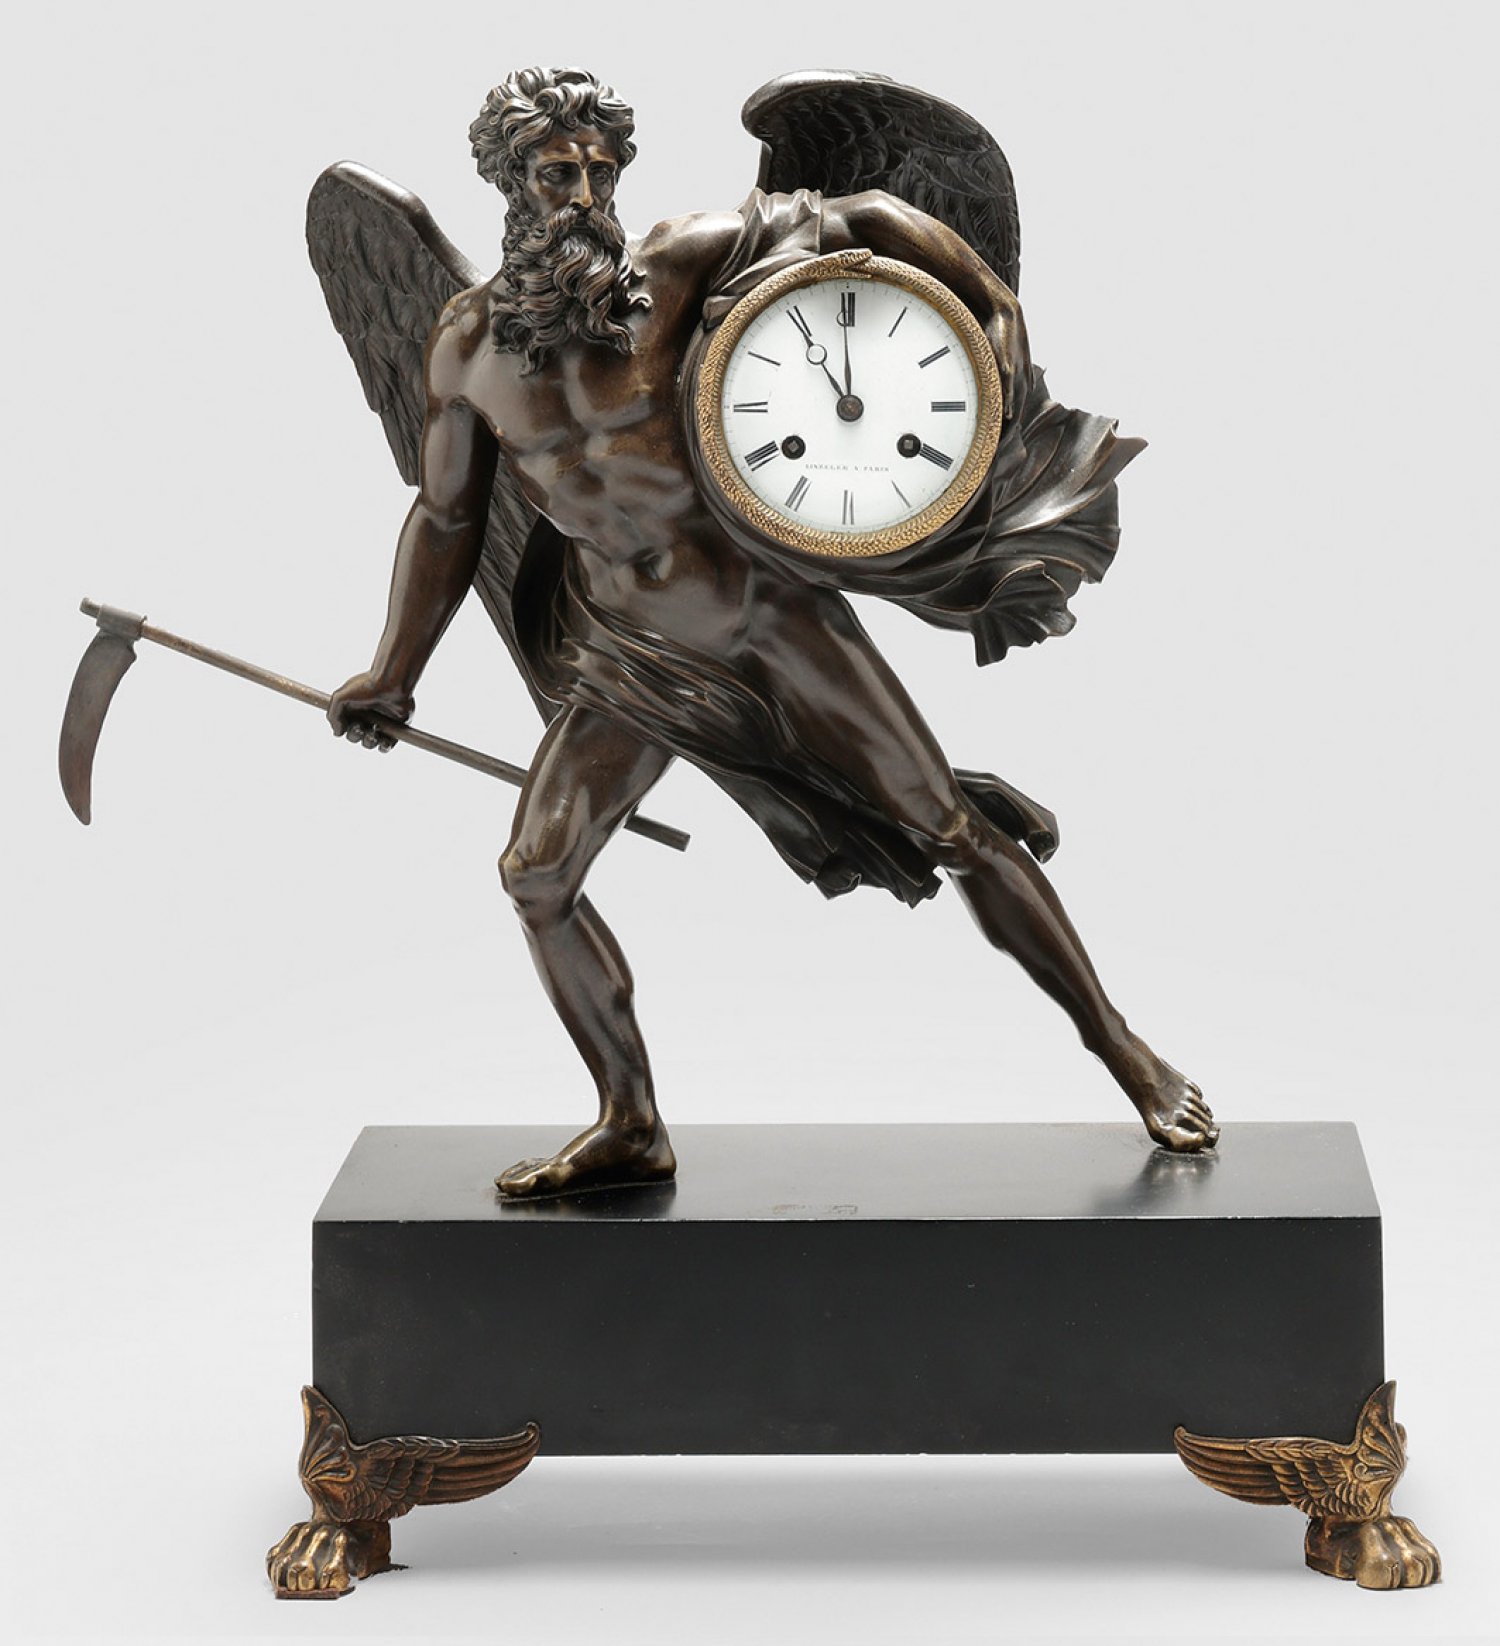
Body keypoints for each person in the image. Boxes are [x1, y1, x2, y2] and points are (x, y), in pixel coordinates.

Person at [329, 67, 1218, 1197]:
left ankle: (1127, 1052)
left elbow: (871, 217)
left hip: (768, 616)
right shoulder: (464, 347)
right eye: (556, 173)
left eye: (600, 172)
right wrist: (392, 672)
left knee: (950, 828)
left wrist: (992, 308)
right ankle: (630, 1121)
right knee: (537, 876)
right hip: (629, 651)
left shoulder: (682, 262)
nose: (584, 195)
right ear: (510, 182)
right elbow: (448, 517)